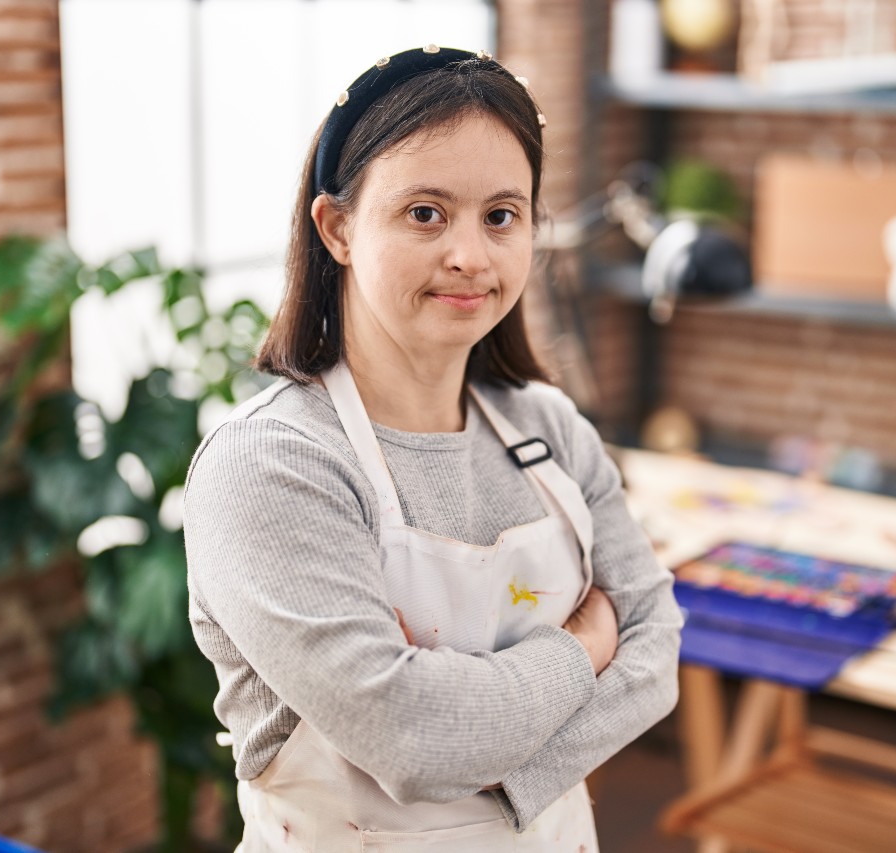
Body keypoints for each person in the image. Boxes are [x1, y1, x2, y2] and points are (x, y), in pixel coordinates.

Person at [183, 45, 683, 851]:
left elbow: (656, 651)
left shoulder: (549, 426)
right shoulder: (270, 467)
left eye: (500, 215)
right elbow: (413, 739)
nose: (470, 256)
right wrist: (586, 647)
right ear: (337, 227)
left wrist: (494, 762)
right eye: (425, 213)